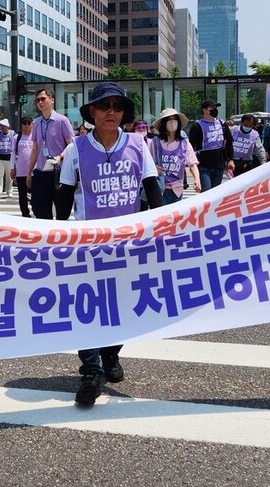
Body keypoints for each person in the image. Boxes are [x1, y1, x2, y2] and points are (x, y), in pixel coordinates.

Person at [57, 81, 163, 405]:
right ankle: (91, 370)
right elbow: (63, 199)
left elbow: (152, 189)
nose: (111, 112)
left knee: (121, 305)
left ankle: (111, 353)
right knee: (87, 307)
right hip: (87, 245)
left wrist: (165, 227)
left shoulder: (137, 144)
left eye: (117, 107)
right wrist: (53, 237)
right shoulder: (76, 149)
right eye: (104, 106)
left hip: (127, 245)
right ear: (91, 112)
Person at [26, 88, 74, 220]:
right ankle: (47, 237)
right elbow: (35, 148)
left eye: (43, 99)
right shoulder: (36, 123)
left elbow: (71, 144)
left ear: (51, 100)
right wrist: (29, 172)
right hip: (41, 171)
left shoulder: (62, 120)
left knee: (62, 211)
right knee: (39, 208)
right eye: (38, 100)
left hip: (59, 172)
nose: (40, 102)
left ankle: (61, 237)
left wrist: (60, 156)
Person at [151, 108, 201, 203]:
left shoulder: (184, 143)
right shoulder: (154, 143)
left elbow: (193, 164)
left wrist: (197, 180)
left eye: (175, 119)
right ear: (163, 123)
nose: (172, 122)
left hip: (176, 190)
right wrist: (154, 169)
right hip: (159, 188)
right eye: (169, 120)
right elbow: (146, 164)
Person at [188, 99, 233, 191]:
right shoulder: (197, 126)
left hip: (219, 163)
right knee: (207, 189)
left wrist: (230, 159)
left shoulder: (222, 124)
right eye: (212, 107)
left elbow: (229, 142)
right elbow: (191, 146)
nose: (215, 109)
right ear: (204, 110)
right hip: (203, 163)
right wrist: (191, 163)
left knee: (215, 191)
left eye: (216, 107)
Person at [11, 118, 34, 218]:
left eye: (29, 123)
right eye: (24, 123)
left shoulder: (35, 136)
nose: (27, 125)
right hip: (21, 171)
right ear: (21, 125)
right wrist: (12, 168)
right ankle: (25, 214)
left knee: (36, 194)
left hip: (34, 171)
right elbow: (12, 153)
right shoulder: (17, 137)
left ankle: (36, 210)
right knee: (22, 196)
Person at [0, 119, 16, 198]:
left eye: (4, 126)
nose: (2, 127)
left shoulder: (12, 133)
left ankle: (9, 191)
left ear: (8, 126)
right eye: (1, 125)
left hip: (10, 157)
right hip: (0, 158)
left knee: (9, 176)